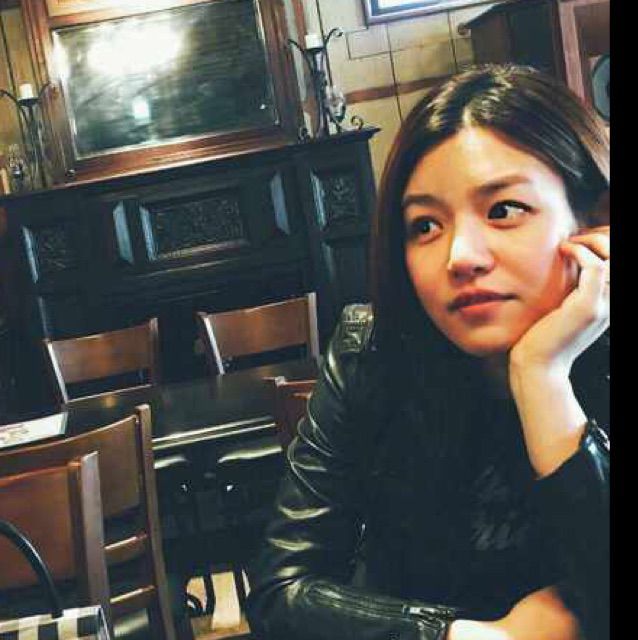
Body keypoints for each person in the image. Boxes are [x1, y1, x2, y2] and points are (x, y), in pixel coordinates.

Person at [246, 64, 609, 640]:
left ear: (596, 223)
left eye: (503, 210)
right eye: (425, 226)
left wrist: (541, 376)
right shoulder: (372, 351)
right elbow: (280, 591)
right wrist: (462, 635)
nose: (460, 256)